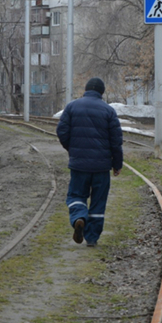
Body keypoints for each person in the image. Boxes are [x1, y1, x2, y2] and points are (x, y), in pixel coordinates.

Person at [57, 77, 123, 247]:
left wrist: (72, 149)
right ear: (101, 92)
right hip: (101, 167)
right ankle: (92, 238)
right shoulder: (109, 111)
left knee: (76, 195)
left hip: (79, 165)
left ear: (85, 90)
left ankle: (79, 217)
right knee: (98, 201)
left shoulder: (72, 106)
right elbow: (116, 141)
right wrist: (117, 164)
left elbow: (62, 131)